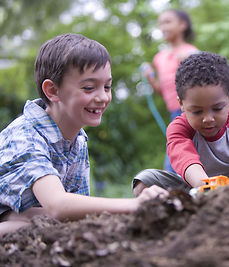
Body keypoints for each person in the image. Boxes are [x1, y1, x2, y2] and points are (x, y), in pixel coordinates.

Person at [0, 33, 168, 236]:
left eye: (107, 86)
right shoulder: (26, 136)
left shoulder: (77, 139)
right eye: (89, 88)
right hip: (9, 217)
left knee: (52, 222)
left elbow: (78, 209)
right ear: (52, 90)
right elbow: (58, 205)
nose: (103, 97)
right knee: (30, 225)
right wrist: (136, 205)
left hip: (31, 215)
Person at [132, 52, 229, 196]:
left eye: (217, 108)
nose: (208, 119)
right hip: (197, 189)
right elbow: (185, 158)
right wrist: (207, 187)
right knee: (144, 180)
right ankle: (179, 214)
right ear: (182, 104)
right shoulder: (178, 128)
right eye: (197, 112)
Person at [142, 9, 198, 172]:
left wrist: (189, 62)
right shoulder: (159, 58)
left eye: (167, 22)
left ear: (182, 25)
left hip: (193, 111)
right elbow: (163, 91)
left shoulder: (191, 51)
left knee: (176, 157)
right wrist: (151, 79)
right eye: (160, 24)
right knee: (179, 155)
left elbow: (203, 85)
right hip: (174, 112)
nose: (163, 27)